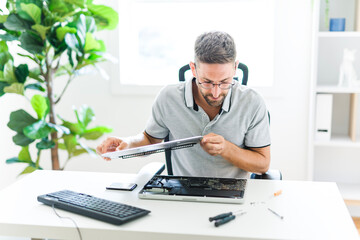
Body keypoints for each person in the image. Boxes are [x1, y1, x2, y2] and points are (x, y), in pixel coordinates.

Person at [96, 31, 270, 178]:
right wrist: (127, 144)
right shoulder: (168, 97)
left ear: (235, 68)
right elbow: (150, 139)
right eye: (207, 82)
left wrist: (226, 149)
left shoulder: (252, 102)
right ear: (193, 69)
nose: (216, 93)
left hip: (234, 195)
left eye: (224, 82)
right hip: (181, 193)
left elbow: (263, 164)